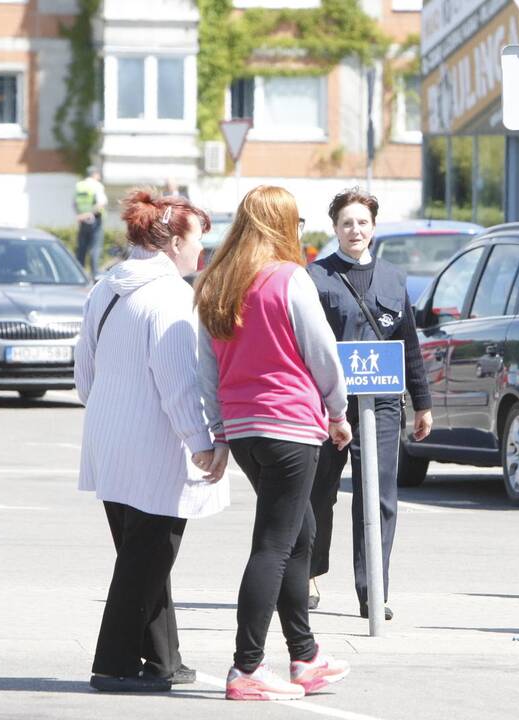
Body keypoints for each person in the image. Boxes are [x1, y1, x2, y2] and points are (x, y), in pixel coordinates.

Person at [196, 185, 353, 701]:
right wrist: (337, 408)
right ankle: (246, 668)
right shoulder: (290, 279)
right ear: (282, 225)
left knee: (299, 533)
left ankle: (304, 656)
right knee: (274, 545)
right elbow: (322, 351)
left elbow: (205, 368)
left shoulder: (216, 281)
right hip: (290, 424)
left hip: (246, 430)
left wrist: (218, 431)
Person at [75, 189, 229, 693]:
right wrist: (201, 441)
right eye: (197, 240)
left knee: (141, 552)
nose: (200, 252)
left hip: (108, 440)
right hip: (153, 447)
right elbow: (178, 381)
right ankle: (115, 664)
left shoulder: (106, 287)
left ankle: (163, 658)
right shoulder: (169, 297)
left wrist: (109, 408)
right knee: (148, 554)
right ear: (172, 240)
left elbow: (84, 372)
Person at [306, 188, 432, 620]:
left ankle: (373, 592)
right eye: (346, 223)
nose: (354, 230)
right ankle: (309, 571)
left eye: (362, 222)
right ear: (335, 229)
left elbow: (408, 344)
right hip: (327, 407)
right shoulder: (315, 278)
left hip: (380, 406)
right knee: (318, 495)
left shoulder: (395, 280)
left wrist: (422, 402)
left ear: (373, 227)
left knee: (378, 499)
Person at [74, 166, 108, 278]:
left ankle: (79, 274)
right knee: (95, 248)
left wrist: (81, 215)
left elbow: (74, 203)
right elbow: (101, 203)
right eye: (98, 174)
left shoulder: (79, 185)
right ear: (94, 174)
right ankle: (94, 276)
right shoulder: (96, 185)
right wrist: (90, 213)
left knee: (81, 249)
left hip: (82, 220)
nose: (99, 177)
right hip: (94, 219)